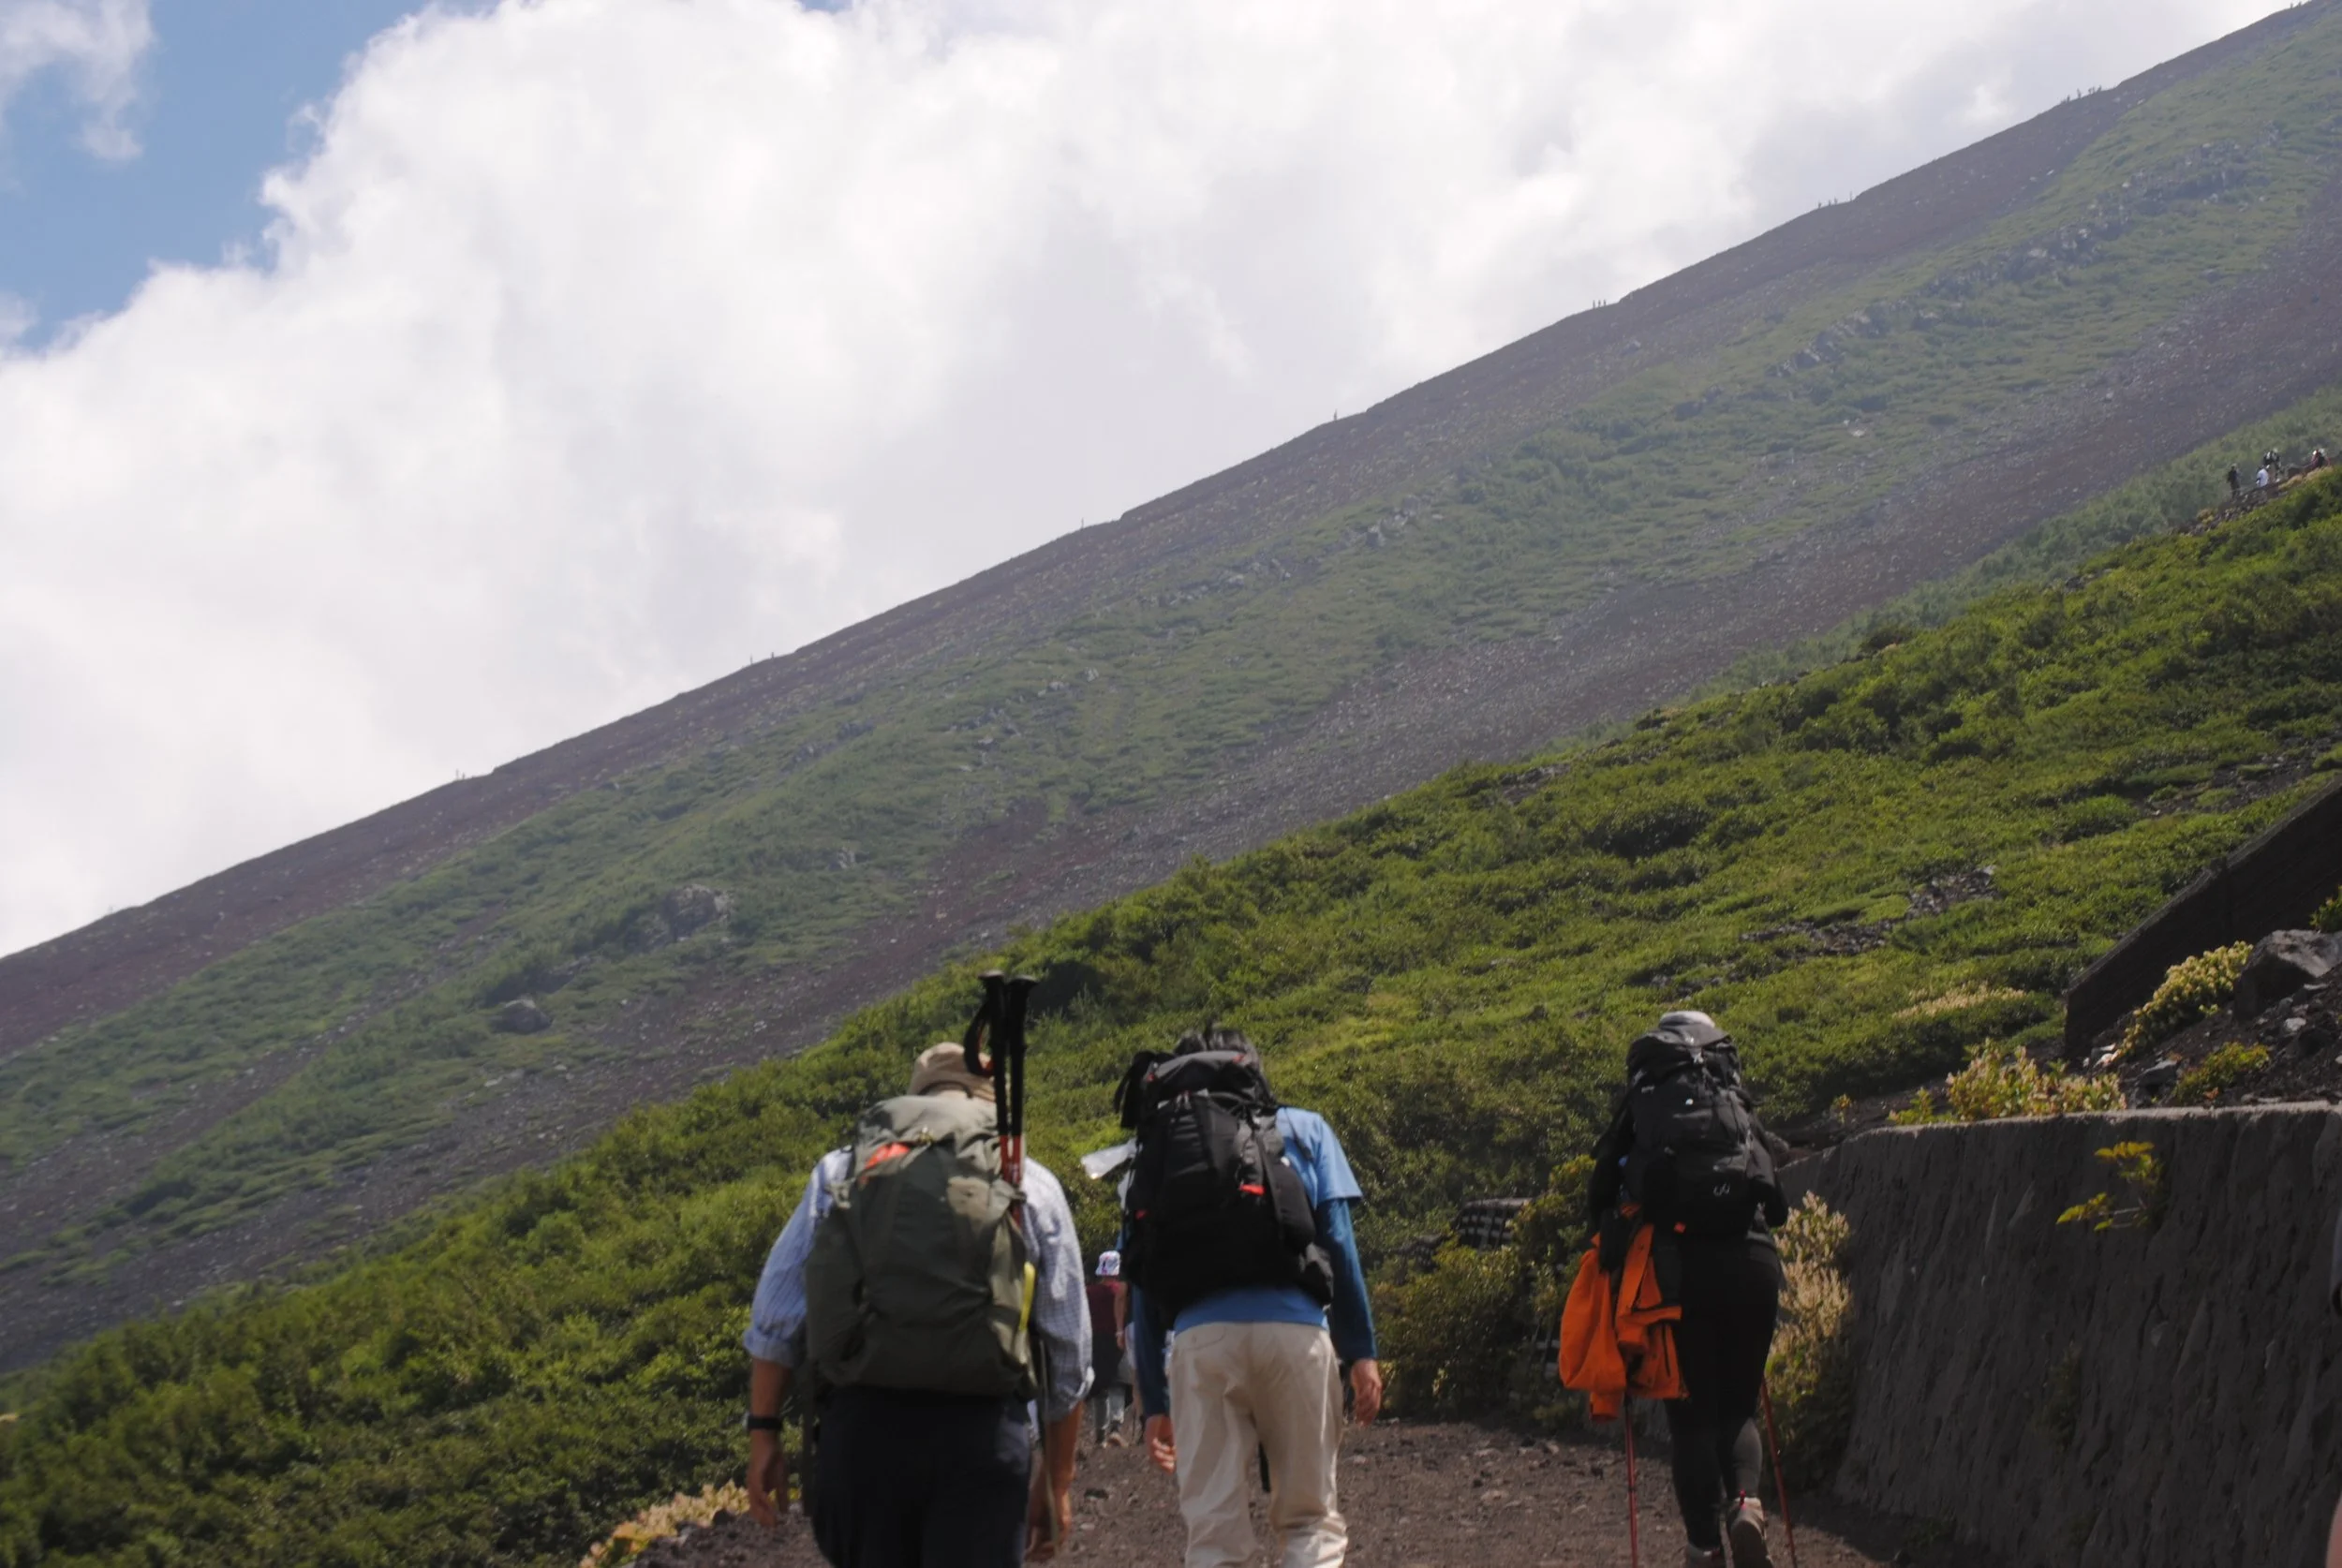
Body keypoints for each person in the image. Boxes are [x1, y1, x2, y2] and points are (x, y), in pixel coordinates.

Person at [741, 1041, 1090, 1568]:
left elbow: (776, 1317)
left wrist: (764, 1432)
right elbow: (1067, 1348)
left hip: (861, 1436)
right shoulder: (1025, 1179)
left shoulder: (842, 1171)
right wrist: (1056, 1482)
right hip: (982, 1440)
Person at [1124, 1028, 1382, 1568]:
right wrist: (1361, 1351)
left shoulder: (1158, 1144)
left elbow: (1142, 1279)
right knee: (1311, 1523)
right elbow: (1339, 1245)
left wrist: (1155, 1402)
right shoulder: (1305, 1129)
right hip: (1295, 1336)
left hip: (1200, 1344)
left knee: (1214, 1538)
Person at [1586, 1011, 1787, 1568]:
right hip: (1754, 1263)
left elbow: (1600, 1196)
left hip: (1682, 1274)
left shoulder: (1645, 1106)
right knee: (1739, 1407)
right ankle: (1746, 1505)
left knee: (1692, 1417)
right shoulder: (1734, 1103)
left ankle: (1704, 1549)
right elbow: (1777, 1203)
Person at [1087, 1251, 1134, 1445]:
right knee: (1118, 1384)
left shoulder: (1089, 1292)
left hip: (1095, 1342)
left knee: (1099, 1389)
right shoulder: (1121, 1291)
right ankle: (1116, 1427)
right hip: (1117, 1339)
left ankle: (1100, 1435)